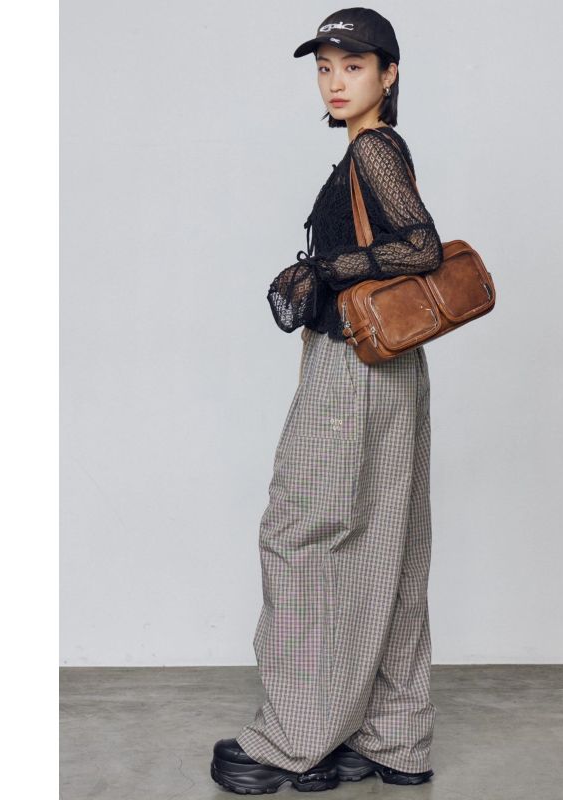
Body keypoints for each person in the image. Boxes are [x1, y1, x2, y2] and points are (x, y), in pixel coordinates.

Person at [211, 8, 441, 794]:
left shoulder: (374, 147)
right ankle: (394, 739)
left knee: (303, 535)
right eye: (324, 67)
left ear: (389, 74)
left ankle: (293, 740)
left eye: (353, 65)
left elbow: (421, 246)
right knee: (389, 545)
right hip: (393, 366)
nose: (335, 82)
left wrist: (326, 269)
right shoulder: (372, 151)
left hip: (356, 368)